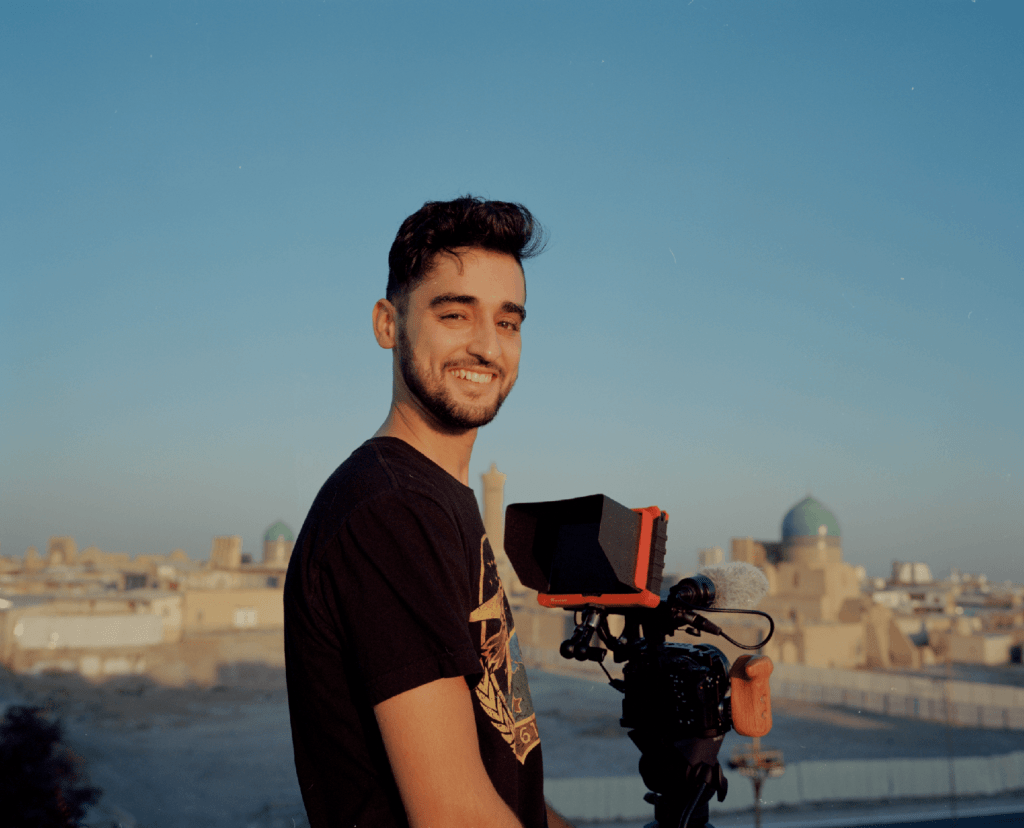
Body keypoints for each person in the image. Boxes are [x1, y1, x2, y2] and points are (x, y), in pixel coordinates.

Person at [284, 196, 572, 828]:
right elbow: (453, 814)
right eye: (453, 314)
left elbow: (502, 774)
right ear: (389, 324)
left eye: (508, 322)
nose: (486, 348)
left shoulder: (440, 504)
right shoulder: (390, 511)